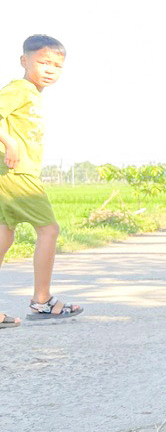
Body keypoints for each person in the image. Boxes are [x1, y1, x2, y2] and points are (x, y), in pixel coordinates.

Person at [0, 35, 84, 328]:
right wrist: (9, 143)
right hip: (16, 171)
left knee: (4, 235)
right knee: (49, 229)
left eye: (57, 65)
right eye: (43, 62)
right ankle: (42, 300)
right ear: (24, 61)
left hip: (10, 174)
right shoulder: (19, 89)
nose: (50, 69)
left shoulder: (32, 94)